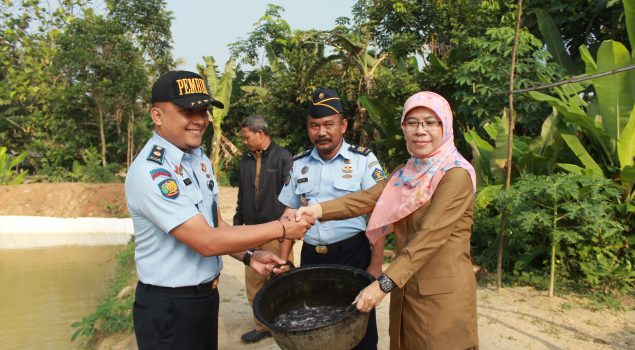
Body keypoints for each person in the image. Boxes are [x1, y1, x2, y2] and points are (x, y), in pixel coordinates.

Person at [125, 70, 313, 350]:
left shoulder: (197, 159)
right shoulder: (153, 171)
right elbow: (206, 241)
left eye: (203, 110)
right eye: (187, 111)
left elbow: (217, 227)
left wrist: (250, 256)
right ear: (157, 115)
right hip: (170, 306)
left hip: (204, 299)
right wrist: (284, 227)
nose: (199, 120)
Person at [296, 91, 479, 350]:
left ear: (445, 125)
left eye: (430, 122)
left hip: (441, 298)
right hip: (405, 288)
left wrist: (383, 284)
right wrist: (317, 210)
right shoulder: (407, 172)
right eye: (412, 123)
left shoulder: (455, 175)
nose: (420, 130)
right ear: (403, 128)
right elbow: (366, 198)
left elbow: (429, 238)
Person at [278, 88, 386, 350]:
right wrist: (283, 261)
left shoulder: (363, 160)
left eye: (328, 124)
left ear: (343, 125)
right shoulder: (299, 163)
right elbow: (287, 215)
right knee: (314, 324)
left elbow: (380, 215)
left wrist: (376, 264)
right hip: (312, 258)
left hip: (353, 255)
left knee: (358, 326)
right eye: (314, 126)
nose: (321, 132)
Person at [233, 114, 295, 343]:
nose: (244, 141)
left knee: (281, 278)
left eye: (246, 137)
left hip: (276, 231)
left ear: (260, 134)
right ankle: (262, 326)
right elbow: (242, 195)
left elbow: (292, 198)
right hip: (250, 230)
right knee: (254, 280)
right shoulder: (245, 160)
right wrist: (237, 225)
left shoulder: (283, 158)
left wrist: (286, 230)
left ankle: (285, 322)